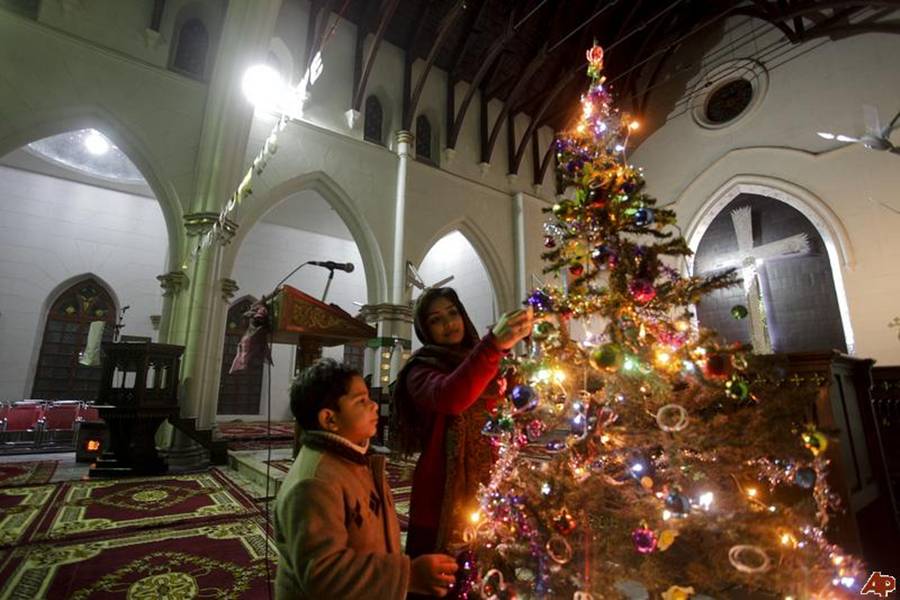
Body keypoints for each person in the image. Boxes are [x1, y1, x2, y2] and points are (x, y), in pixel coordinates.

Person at [273, 358, 459, 599]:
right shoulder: (314, 484)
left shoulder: (353, 459)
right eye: (361, 401)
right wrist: (409, 576)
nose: (373, 406)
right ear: (330, 419)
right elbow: (324, 576)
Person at [391, 287, 534, 560]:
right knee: (443, 576)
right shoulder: (420, 370)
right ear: (424, 329)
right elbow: (452, 396)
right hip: (443, 492)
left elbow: (516, 405)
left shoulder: (485, 359)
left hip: (493, 478)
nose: (448, 324)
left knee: (492, 565)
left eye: (452, 313)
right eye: (435, 320)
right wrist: (493, 345)